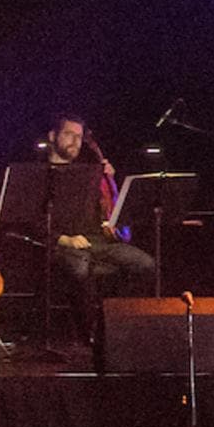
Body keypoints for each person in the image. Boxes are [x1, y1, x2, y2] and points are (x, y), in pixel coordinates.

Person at [32, 116, 157, 313]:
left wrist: (110, 181)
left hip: (97, 241)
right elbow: (31, 221)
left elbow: (110, 208)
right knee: (80, 267)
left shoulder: (90, 173)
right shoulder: (37, 174)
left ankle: (115, 319)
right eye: (68, 134)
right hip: (61, 245)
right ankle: (86, 332)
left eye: (79, 136)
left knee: (145, 264)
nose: (75, 141)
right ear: (52, 136)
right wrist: (64, 239)